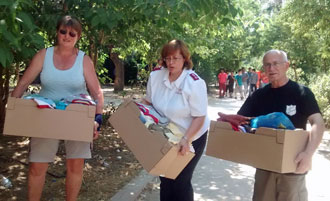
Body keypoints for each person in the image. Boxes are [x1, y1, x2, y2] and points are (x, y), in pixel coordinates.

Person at [11, 15, 104, 201]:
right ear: (57, 32)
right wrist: (13, 110)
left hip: (76, 116)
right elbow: (22, 83)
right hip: (46, 115)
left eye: (72, 33)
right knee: (37, 166)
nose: (67, 36)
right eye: (63, 31)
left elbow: (97, 93)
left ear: (78, 37)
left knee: (75, 167)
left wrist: (97, 120)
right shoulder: (43, 55)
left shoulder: (84, 61)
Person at [236, 50, 325, 201]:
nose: (271, 68)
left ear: (287, 66)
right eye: (267, 65)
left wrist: (308, 154)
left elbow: (318, 123)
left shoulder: (302, 92)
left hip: (293, 164)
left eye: (276, 63)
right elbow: (241, 121)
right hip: (265, 164)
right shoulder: (259, 95)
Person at [143, 39, 209, 201]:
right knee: (165, 178)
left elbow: (199, 116)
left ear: (185, 59)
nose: (171, 62)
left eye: (176, 58)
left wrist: (186, 139)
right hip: (166, 134)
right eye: (168, 58)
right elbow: (148, 102)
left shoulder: (194, 83)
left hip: (191, 135)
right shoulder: (156, 76)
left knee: (180, 181)